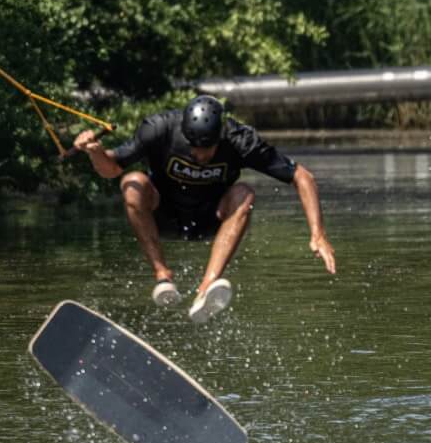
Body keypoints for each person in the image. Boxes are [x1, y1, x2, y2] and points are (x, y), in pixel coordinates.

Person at [72, 94, 336, 321]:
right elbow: (112, 168)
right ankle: (162, 276)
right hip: (163, 215)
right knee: (131, 182)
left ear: (220, 137)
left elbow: (302, 176)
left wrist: (318, 233)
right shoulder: (159, 129)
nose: (200, 155)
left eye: (207, 149)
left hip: (213, 219)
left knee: (244, 192)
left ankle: (207, 288)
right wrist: (95, 152)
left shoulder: (240, 140)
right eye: (194, 147)